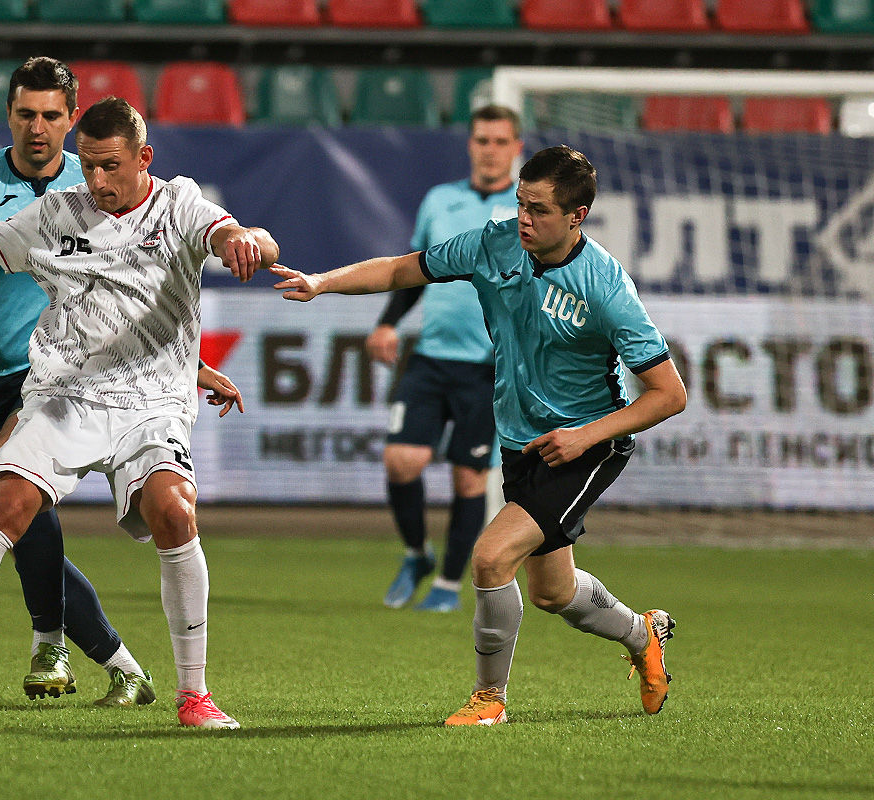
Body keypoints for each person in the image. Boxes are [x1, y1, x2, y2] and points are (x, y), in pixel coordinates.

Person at [0, 96, 276, 729]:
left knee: (173, 511)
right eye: (87, 165)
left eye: (110, 165)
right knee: (8, 505)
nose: (96, 179)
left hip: (151, 402)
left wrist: (248, 241)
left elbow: (238, 236)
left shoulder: (179, 204)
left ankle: (193, 695)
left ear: (143, 158)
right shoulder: (59, 212)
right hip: (66, 392)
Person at [270, 145, 686, 726]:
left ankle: (489, 700)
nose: (523, 219)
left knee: (491, 559)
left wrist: (585, 436)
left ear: (577, 216)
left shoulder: (607, 286)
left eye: (539, 210)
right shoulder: (494, 244)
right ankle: (643, 635)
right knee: (553, 592)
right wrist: (322, 282)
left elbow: (669, 394)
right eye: (521, 204)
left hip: (586, 445)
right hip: (520, 439)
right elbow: (400, 269)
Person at [0, 58, 207, 709]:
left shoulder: (98, 183)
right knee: (24, 524)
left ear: (71, 119)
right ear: (9, 115)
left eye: (52, 115)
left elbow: (138, 301)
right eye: (26, 114)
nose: (38, 127)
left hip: (68, 379)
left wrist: (190, 367)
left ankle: (49, 646)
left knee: (21, 515)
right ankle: (113, 662)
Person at [368, 105, 523, 613]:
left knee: (469, 477)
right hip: (432, 357)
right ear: (470, 145)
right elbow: (416, 270)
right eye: (482, 140)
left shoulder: (527, 210)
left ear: (516, 148)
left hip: (489, 367)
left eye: (500, 141)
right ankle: (417, 554)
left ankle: (449, 585)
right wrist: (388, 323)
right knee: (401, 461)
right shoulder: (439, 199)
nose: (490, 150)